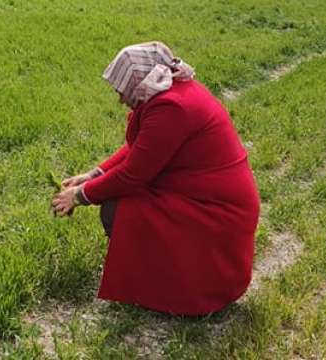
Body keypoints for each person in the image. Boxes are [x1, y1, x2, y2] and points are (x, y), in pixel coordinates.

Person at [51, 41, 260, 315]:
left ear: (139, 83)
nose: (120, 100)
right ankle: (158, 280)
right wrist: (93, 174)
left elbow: (133, 175)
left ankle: (171, 289)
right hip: (204, 198)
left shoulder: (171, 107)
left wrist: (79, 196)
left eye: (122, 91)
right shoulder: (172, 92)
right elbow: (143, 147)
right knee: (120, 205)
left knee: (118, 210)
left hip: (216, 212)